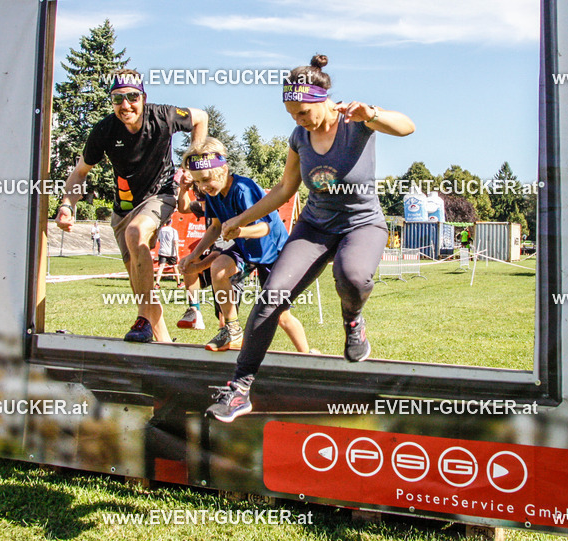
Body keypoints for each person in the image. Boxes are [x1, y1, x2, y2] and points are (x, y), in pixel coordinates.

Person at [206, 54, 414, 422]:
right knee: (271, 298)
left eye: (302, 112)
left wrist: (374, 114)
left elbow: (407, 127)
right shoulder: (299, 136)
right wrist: (240, 218)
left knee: (351, 277)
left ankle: (353, 321)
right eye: (292, 115)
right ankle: (239, 389)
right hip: (315, 227)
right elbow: (285, 188)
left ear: (322, 100)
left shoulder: (356, 121)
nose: (298, 120)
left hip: (361, 224)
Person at [55, 68, 207, 344]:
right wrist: (67, 205)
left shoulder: (163, 115)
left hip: (160, 196)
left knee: (136, 233)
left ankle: (143, 319)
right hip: (122, 210)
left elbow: (201, 118)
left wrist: (192, 164)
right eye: (118, 99)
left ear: (143, 97)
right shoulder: (104, 130)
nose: (125, 105)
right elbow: (79, 172)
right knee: (142, 287)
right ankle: (164, 351)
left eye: (132, 97)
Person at [175, 138, 313, 355]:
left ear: (223, 169)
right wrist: (195, 255)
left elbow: (264, 229)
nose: (202, 187)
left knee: (281, 316)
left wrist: (239, 231)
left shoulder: (243, 189)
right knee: (218, 269)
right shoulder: (212, 194)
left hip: (272, 253)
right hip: (245, 249)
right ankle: (232, 329)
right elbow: (214, 228)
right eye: (198, 182)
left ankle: (307, 355)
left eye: (206, 180)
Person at [154, 217, 182, 289]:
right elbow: (176, 242)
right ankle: (179, 283)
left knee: (161, 267)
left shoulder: (161, 230)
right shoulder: (173, 231)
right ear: (171, 222)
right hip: (171, 252)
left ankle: (157, 283)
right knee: (175, 267)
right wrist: (177, 254)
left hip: (162, 251)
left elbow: (159, 240)